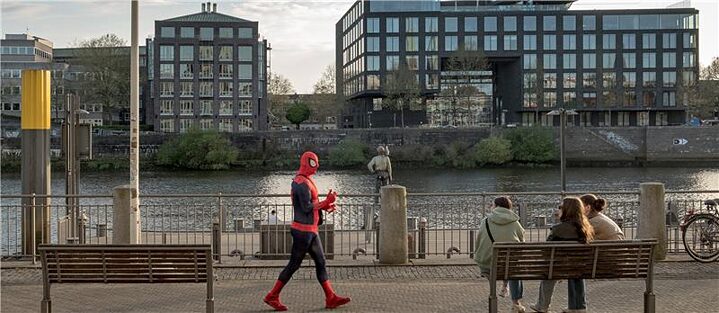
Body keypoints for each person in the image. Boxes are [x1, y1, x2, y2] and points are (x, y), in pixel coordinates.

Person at [263, 151, 350, 311]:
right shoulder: (301, 183)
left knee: (320, 262)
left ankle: (330, 297)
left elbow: (311, 204)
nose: (316, 167)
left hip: (310, 230)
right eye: (313, 163)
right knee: (294, 265)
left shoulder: (304, 181)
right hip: (303, 232)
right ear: (306, 163)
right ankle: (272, 296)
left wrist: (326, 205)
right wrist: (326, 202)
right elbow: (306, 207)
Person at [530, 197, 595, 313]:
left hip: (559, 267)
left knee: (548, 274)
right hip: (580, 267)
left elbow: (546, 250)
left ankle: (542, 306)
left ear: (567, 210)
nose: (558, 210)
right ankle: (579, 307)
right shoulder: (585, 229)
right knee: (576, 273)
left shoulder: (558, 229)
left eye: (560, 207)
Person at [474, 196, 526, 313]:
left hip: (489, 265)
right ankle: (516, 303)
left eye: (492, 205)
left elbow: (479, 242)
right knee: (512, 267)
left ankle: (496, 293)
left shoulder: (485, 221)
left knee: (502, 263)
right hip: (508, 265)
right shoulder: (515, 222)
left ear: (496, 206)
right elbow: (522, 242)